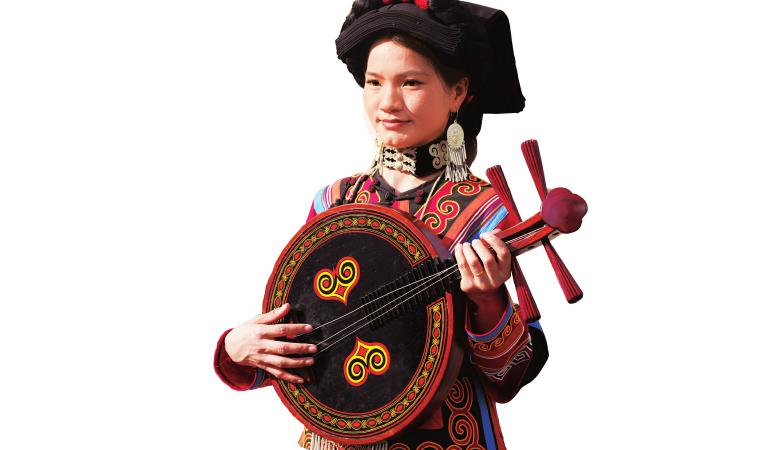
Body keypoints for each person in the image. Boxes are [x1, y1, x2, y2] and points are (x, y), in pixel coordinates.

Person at [214, 1, 548, 448]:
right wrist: (238, 349)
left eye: (411, 83)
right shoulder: (334, 202)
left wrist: (488, 299)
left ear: (457, 93)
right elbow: (309, 340)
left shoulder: (484, 210)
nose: (388, 102)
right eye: (374, 82)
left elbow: (510, 376)